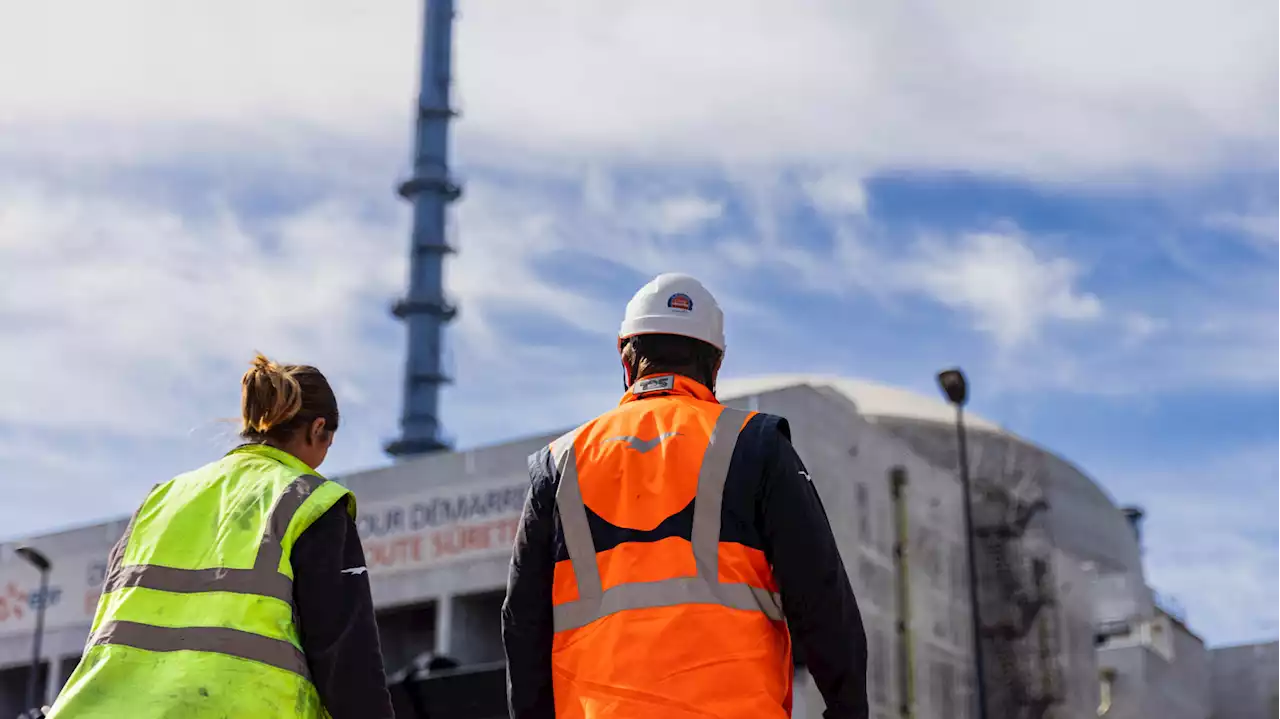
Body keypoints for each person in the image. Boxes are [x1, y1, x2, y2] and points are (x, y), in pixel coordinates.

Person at [502, 273, 869, 719]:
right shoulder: (754, 444)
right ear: (715, 365)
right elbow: (821, 594)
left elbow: (523, 624)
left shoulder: (559, 464)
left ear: (625, 357)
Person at [46, 354, 394, 719]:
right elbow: (348, 662)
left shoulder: (161, 500)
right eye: (328, 442)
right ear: (317, 428)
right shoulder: (310, 501)